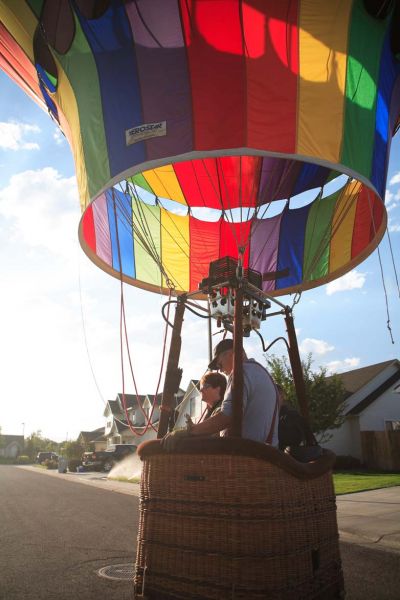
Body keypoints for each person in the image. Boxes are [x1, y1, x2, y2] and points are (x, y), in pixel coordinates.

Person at [162, 338, 279, 449]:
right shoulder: (262, 374)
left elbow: (226, 417)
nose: (220, 370)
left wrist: (189, 431)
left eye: (220, 364)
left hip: (247, 456)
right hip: (264, 453)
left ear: (232, 353)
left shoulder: (240, 373)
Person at [277, 383, 322, 462]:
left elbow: (306, 438)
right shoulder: (269, 416)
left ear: (282, 397)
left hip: (289, 460)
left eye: (276, 395)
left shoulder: (291, 415)